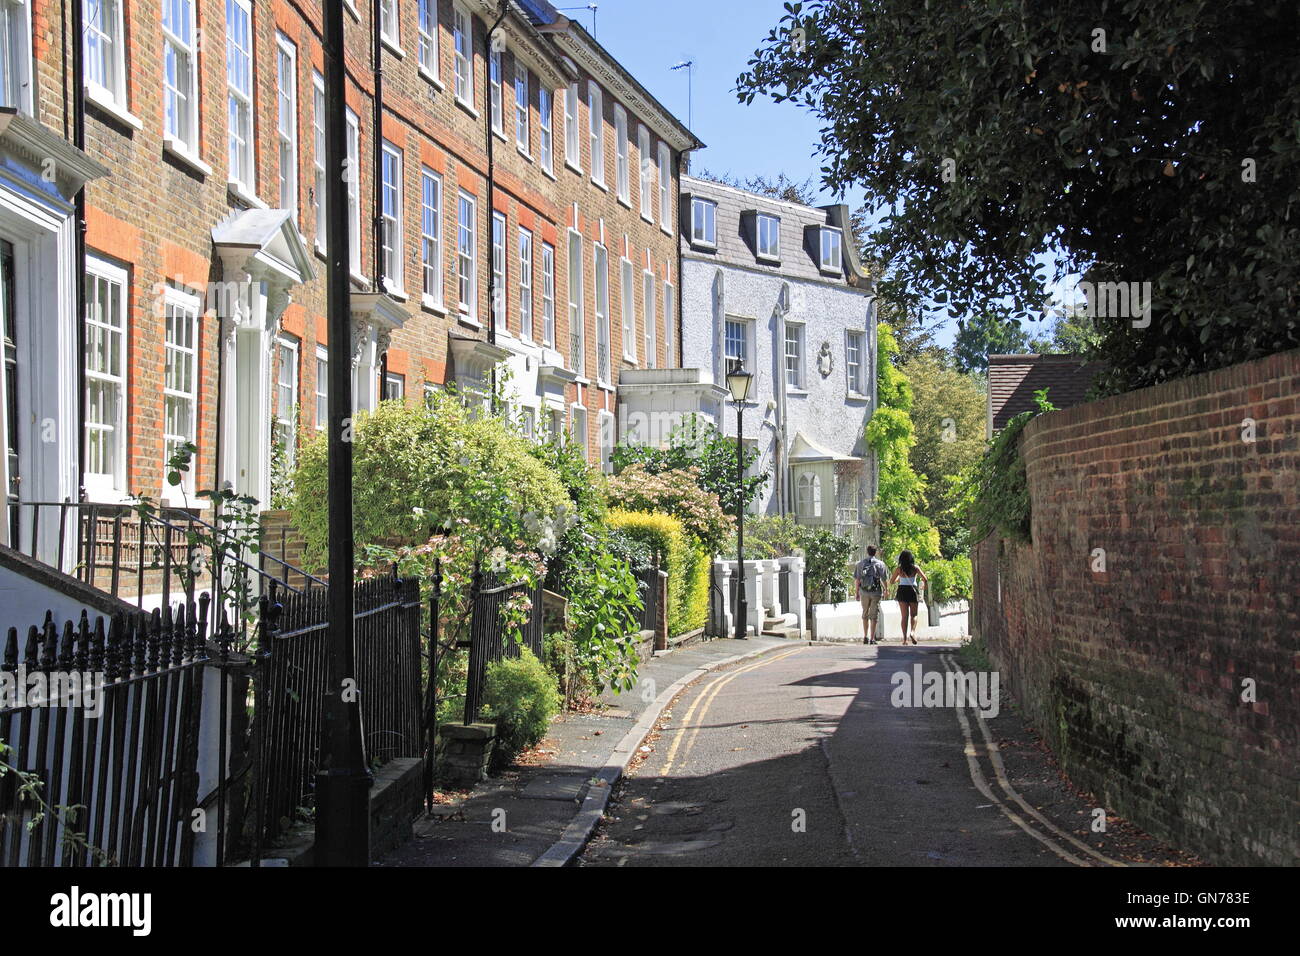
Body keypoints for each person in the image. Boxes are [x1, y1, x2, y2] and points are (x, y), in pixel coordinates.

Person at [888, 550, 928, 645]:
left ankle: (905, 639)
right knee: (914, 615)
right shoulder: (915, 568)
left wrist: (899, 578)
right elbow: (925, 579)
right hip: (912, 591)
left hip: (902, 591)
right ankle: (912, 632)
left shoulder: (899, 569)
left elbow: (891, 581)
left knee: (904, 616)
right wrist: (924, 587)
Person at [854, 546, 889, 645]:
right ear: (875, 552)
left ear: (867, 552)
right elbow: (884, 579)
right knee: (874, 616)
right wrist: (886, 590)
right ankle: (872, 638)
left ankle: (865, 636)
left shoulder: (860, 564)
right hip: (876, 592)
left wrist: (857, 592)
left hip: (864, 592)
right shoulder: (880, 564)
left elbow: (857, 580)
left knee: (865, 613)